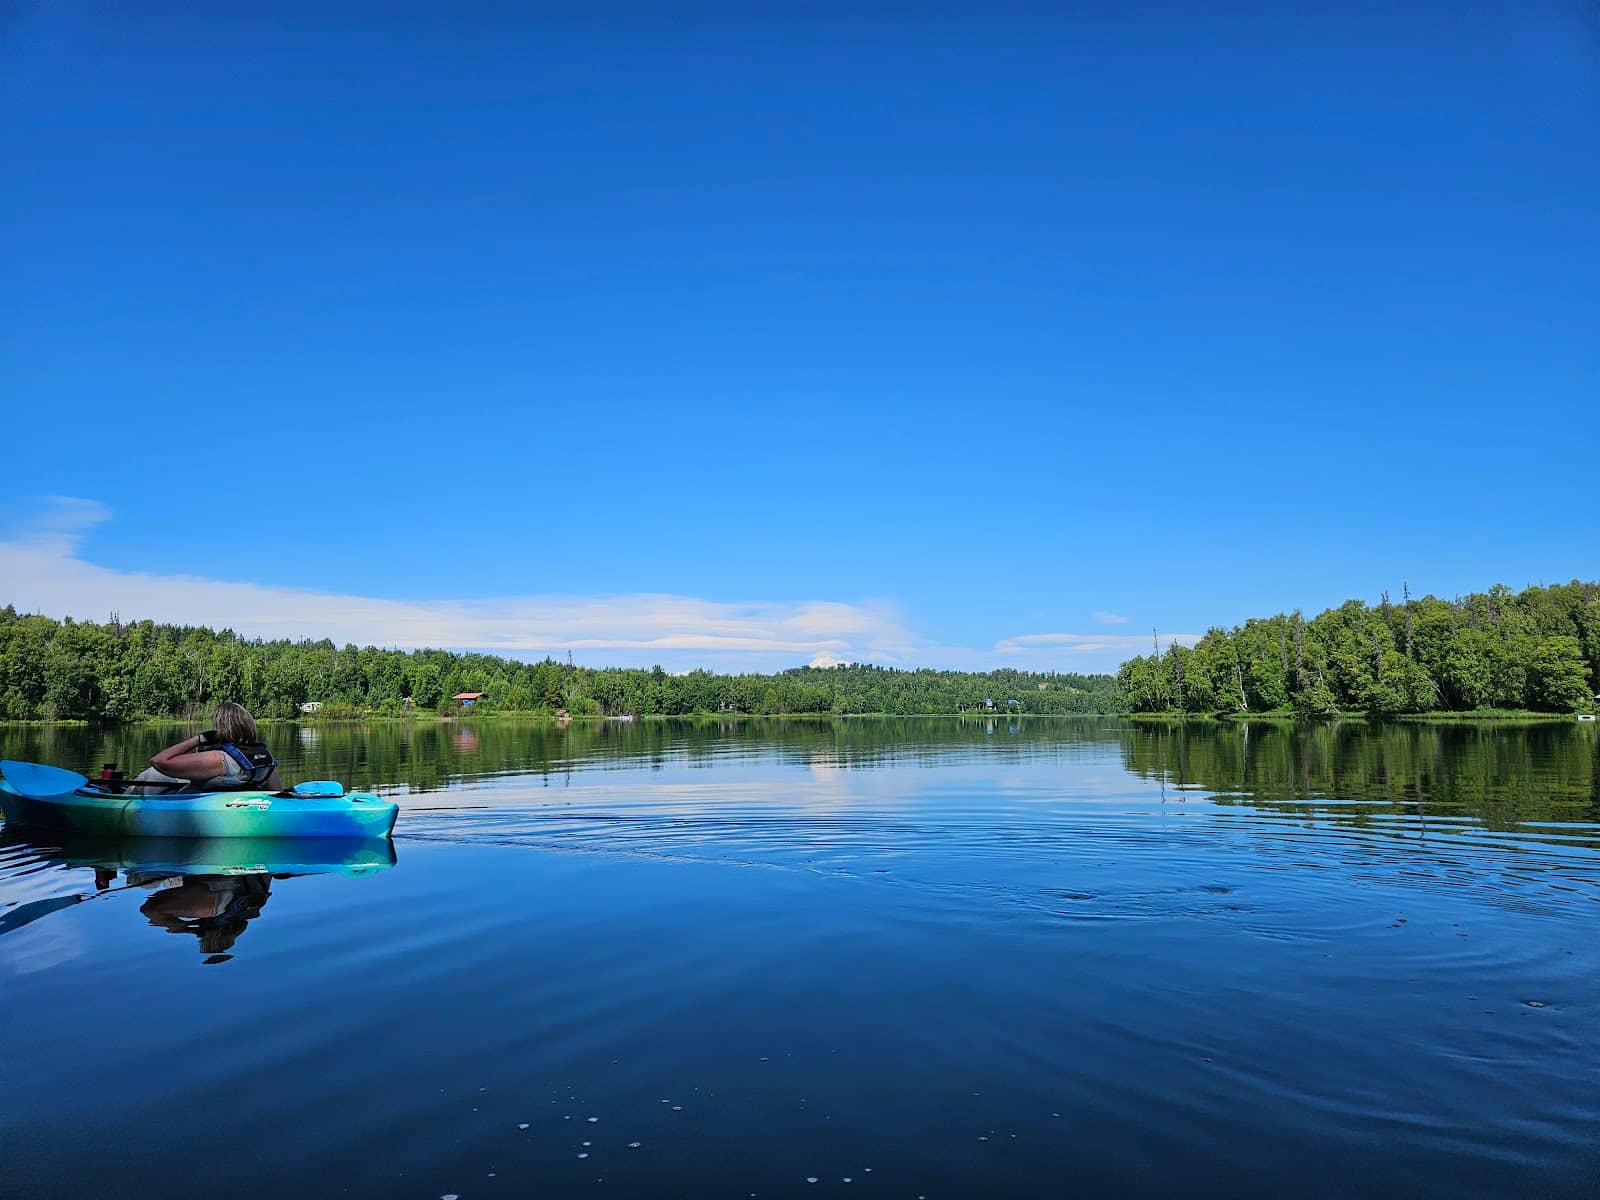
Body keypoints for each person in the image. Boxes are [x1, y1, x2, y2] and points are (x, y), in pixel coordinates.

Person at [136, 701, 283, 793]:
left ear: (221, 727)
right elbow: (277, 791)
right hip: (231, 798)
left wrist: (198, 739)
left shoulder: (217, 759)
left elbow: (158, 761)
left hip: (203, 806)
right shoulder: (266, 758)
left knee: (154, 772)